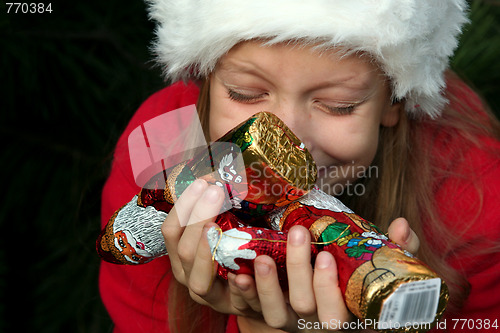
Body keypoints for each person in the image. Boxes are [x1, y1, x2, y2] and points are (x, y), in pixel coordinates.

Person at [99, 1, 500, 332]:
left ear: (394, 101)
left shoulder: (477, 196)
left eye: (337, 105)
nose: (286, 138)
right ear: (206, 83)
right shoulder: (158, 151)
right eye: (245, 94)